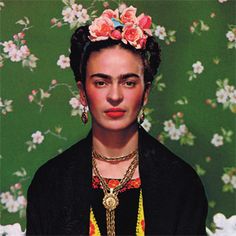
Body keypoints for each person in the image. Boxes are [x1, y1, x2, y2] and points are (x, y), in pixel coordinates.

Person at [26, 5, 208, 236]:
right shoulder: (51, 181)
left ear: (146, 92)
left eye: (128, 82)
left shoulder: (180, 182)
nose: (115, 96)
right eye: (101, 82)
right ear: (82, 92)